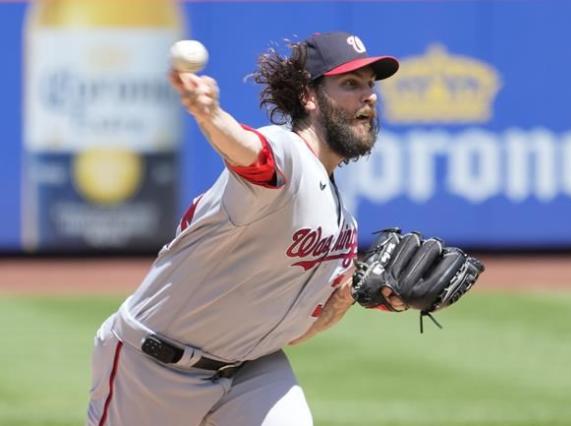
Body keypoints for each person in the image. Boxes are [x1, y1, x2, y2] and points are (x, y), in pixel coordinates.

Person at [86, 31, 401, 426]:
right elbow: (251, 153)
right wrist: (210, 114)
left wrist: (345, 299)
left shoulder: (344, 229)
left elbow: (291, 331)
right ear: (308, 95)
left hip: (252, 370)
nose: (369, 96)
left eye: (371, 85)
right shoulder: (288, 154)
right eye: (351, 84)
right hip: (152, 369)